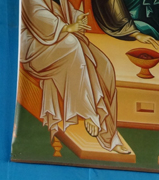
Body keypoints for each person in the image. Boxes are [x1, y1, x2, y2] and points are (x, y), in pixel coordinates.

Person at [20, 0, 131, 154]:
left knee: (104, 65)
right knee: (72, 45)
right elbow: (38, 17)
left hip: (60, 38)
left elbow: (67, 11)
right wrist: (68, 27)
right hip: (35, 48)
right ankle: (89, 113)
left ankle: (109, 136)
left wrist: (77, 18)